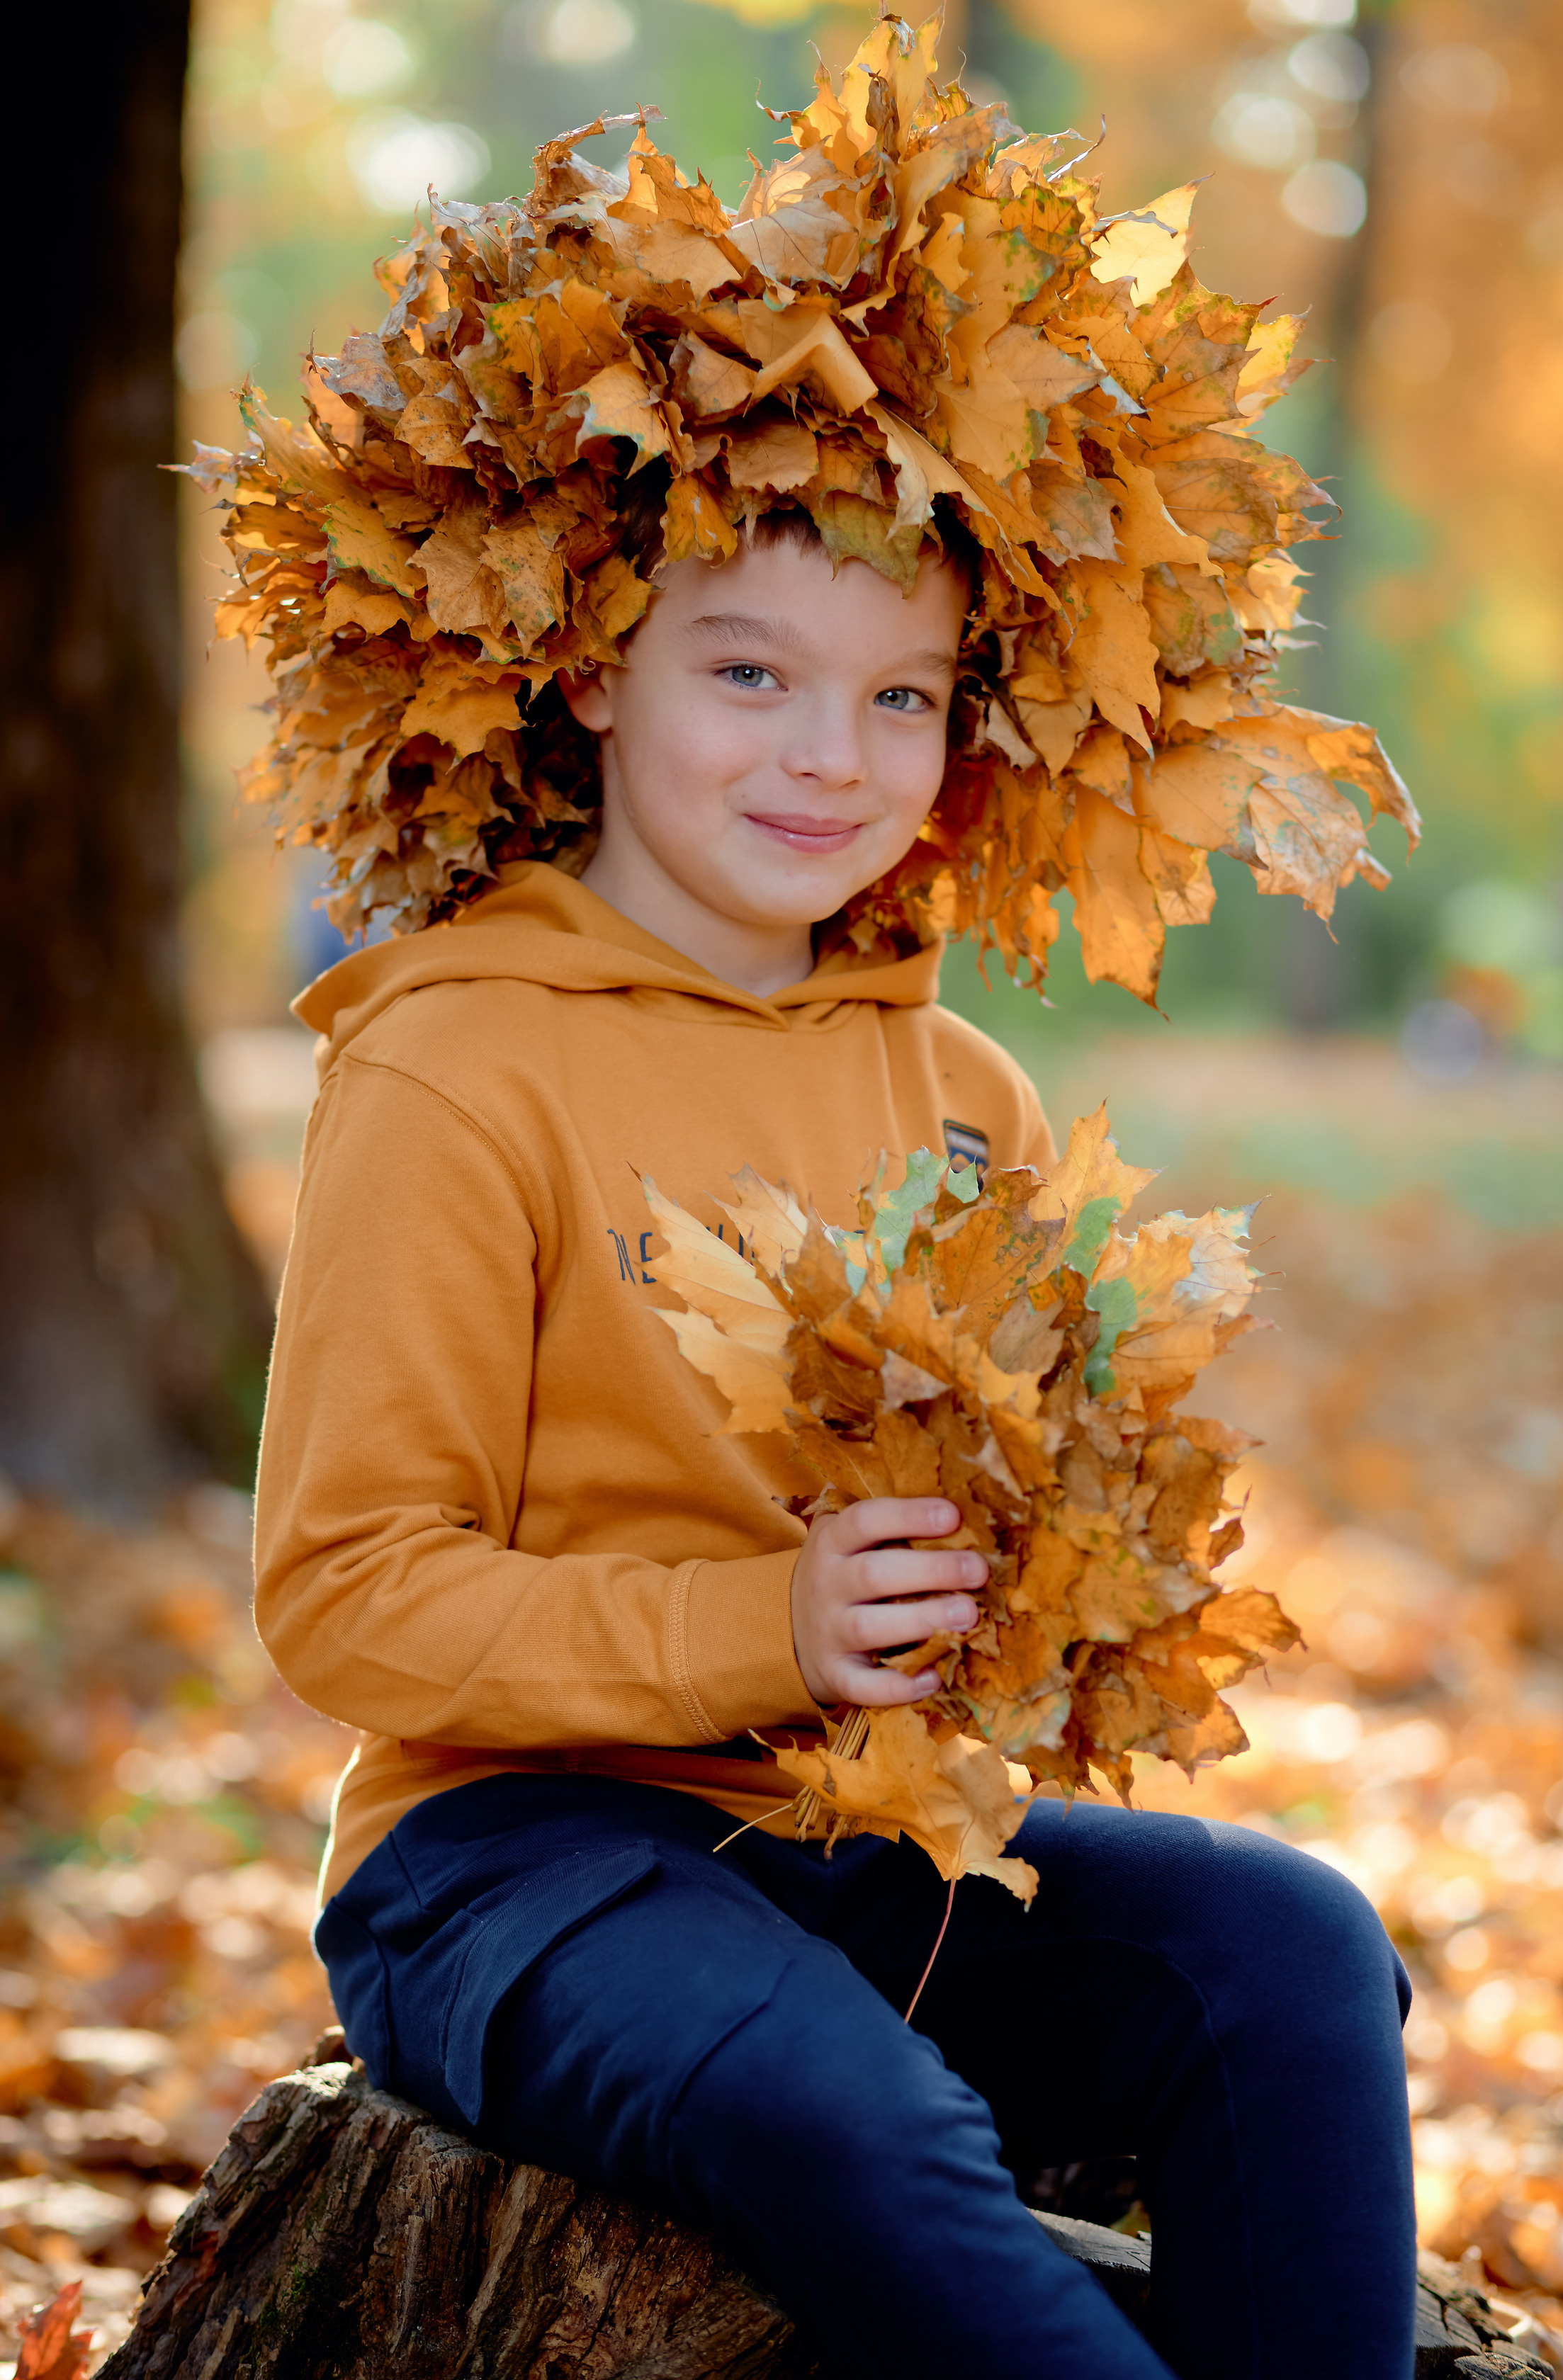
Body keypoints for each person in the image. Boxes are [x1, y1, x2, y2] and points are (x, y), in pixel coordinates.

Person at [239, 22, 1421, 2375]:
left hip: (852, 1848)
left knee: (1287, 1955)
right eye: (749, 668)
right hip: (507, 1873)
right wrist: (755, 1632)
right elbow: (346, 1596)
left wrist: (1049, 1578)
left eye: (902, 698)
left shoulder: (948, 1081)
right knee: (849, 2122)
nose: (826, 755)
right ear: (590, 668)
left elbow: (966, 1562)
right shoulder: (459, 1060)